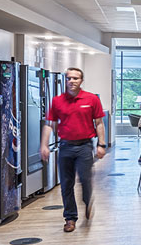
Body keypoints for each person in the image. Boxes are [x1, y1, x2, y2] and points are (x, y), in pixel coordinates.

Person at [40, 67, 106, 233]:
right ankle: (70, 218)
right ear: (66, 80)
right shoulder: (57, 101)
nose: (72, 81)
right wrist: (44, 145)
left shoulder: (91, 99)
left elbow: (99, 123)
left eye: (75, 78)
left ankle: (87, 201)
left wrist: (101, 144)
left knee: (85, 178)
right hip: (65, 146)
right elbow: (50, 124)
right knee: (66, 184)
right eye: (69, 78)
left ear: (81, 81)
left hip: (85, 146)